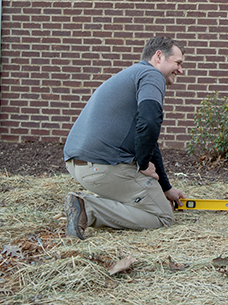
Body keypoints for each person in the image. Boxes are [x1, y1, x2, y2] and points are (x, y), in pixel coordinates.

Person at [63, 36, 186, 239]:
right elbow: (149, 122)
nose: (181, 70)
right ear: (158, 56)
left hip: (80, 165)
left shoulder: (131, 75)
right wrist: (144, 164)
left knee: (154, 200)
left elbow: (148, 137)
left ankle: (89, 206)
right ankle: (88, 208)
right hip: (104, 167)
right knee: (163, 215)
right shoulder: (151, 75)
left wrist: (166, 187)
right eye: (178, 63)